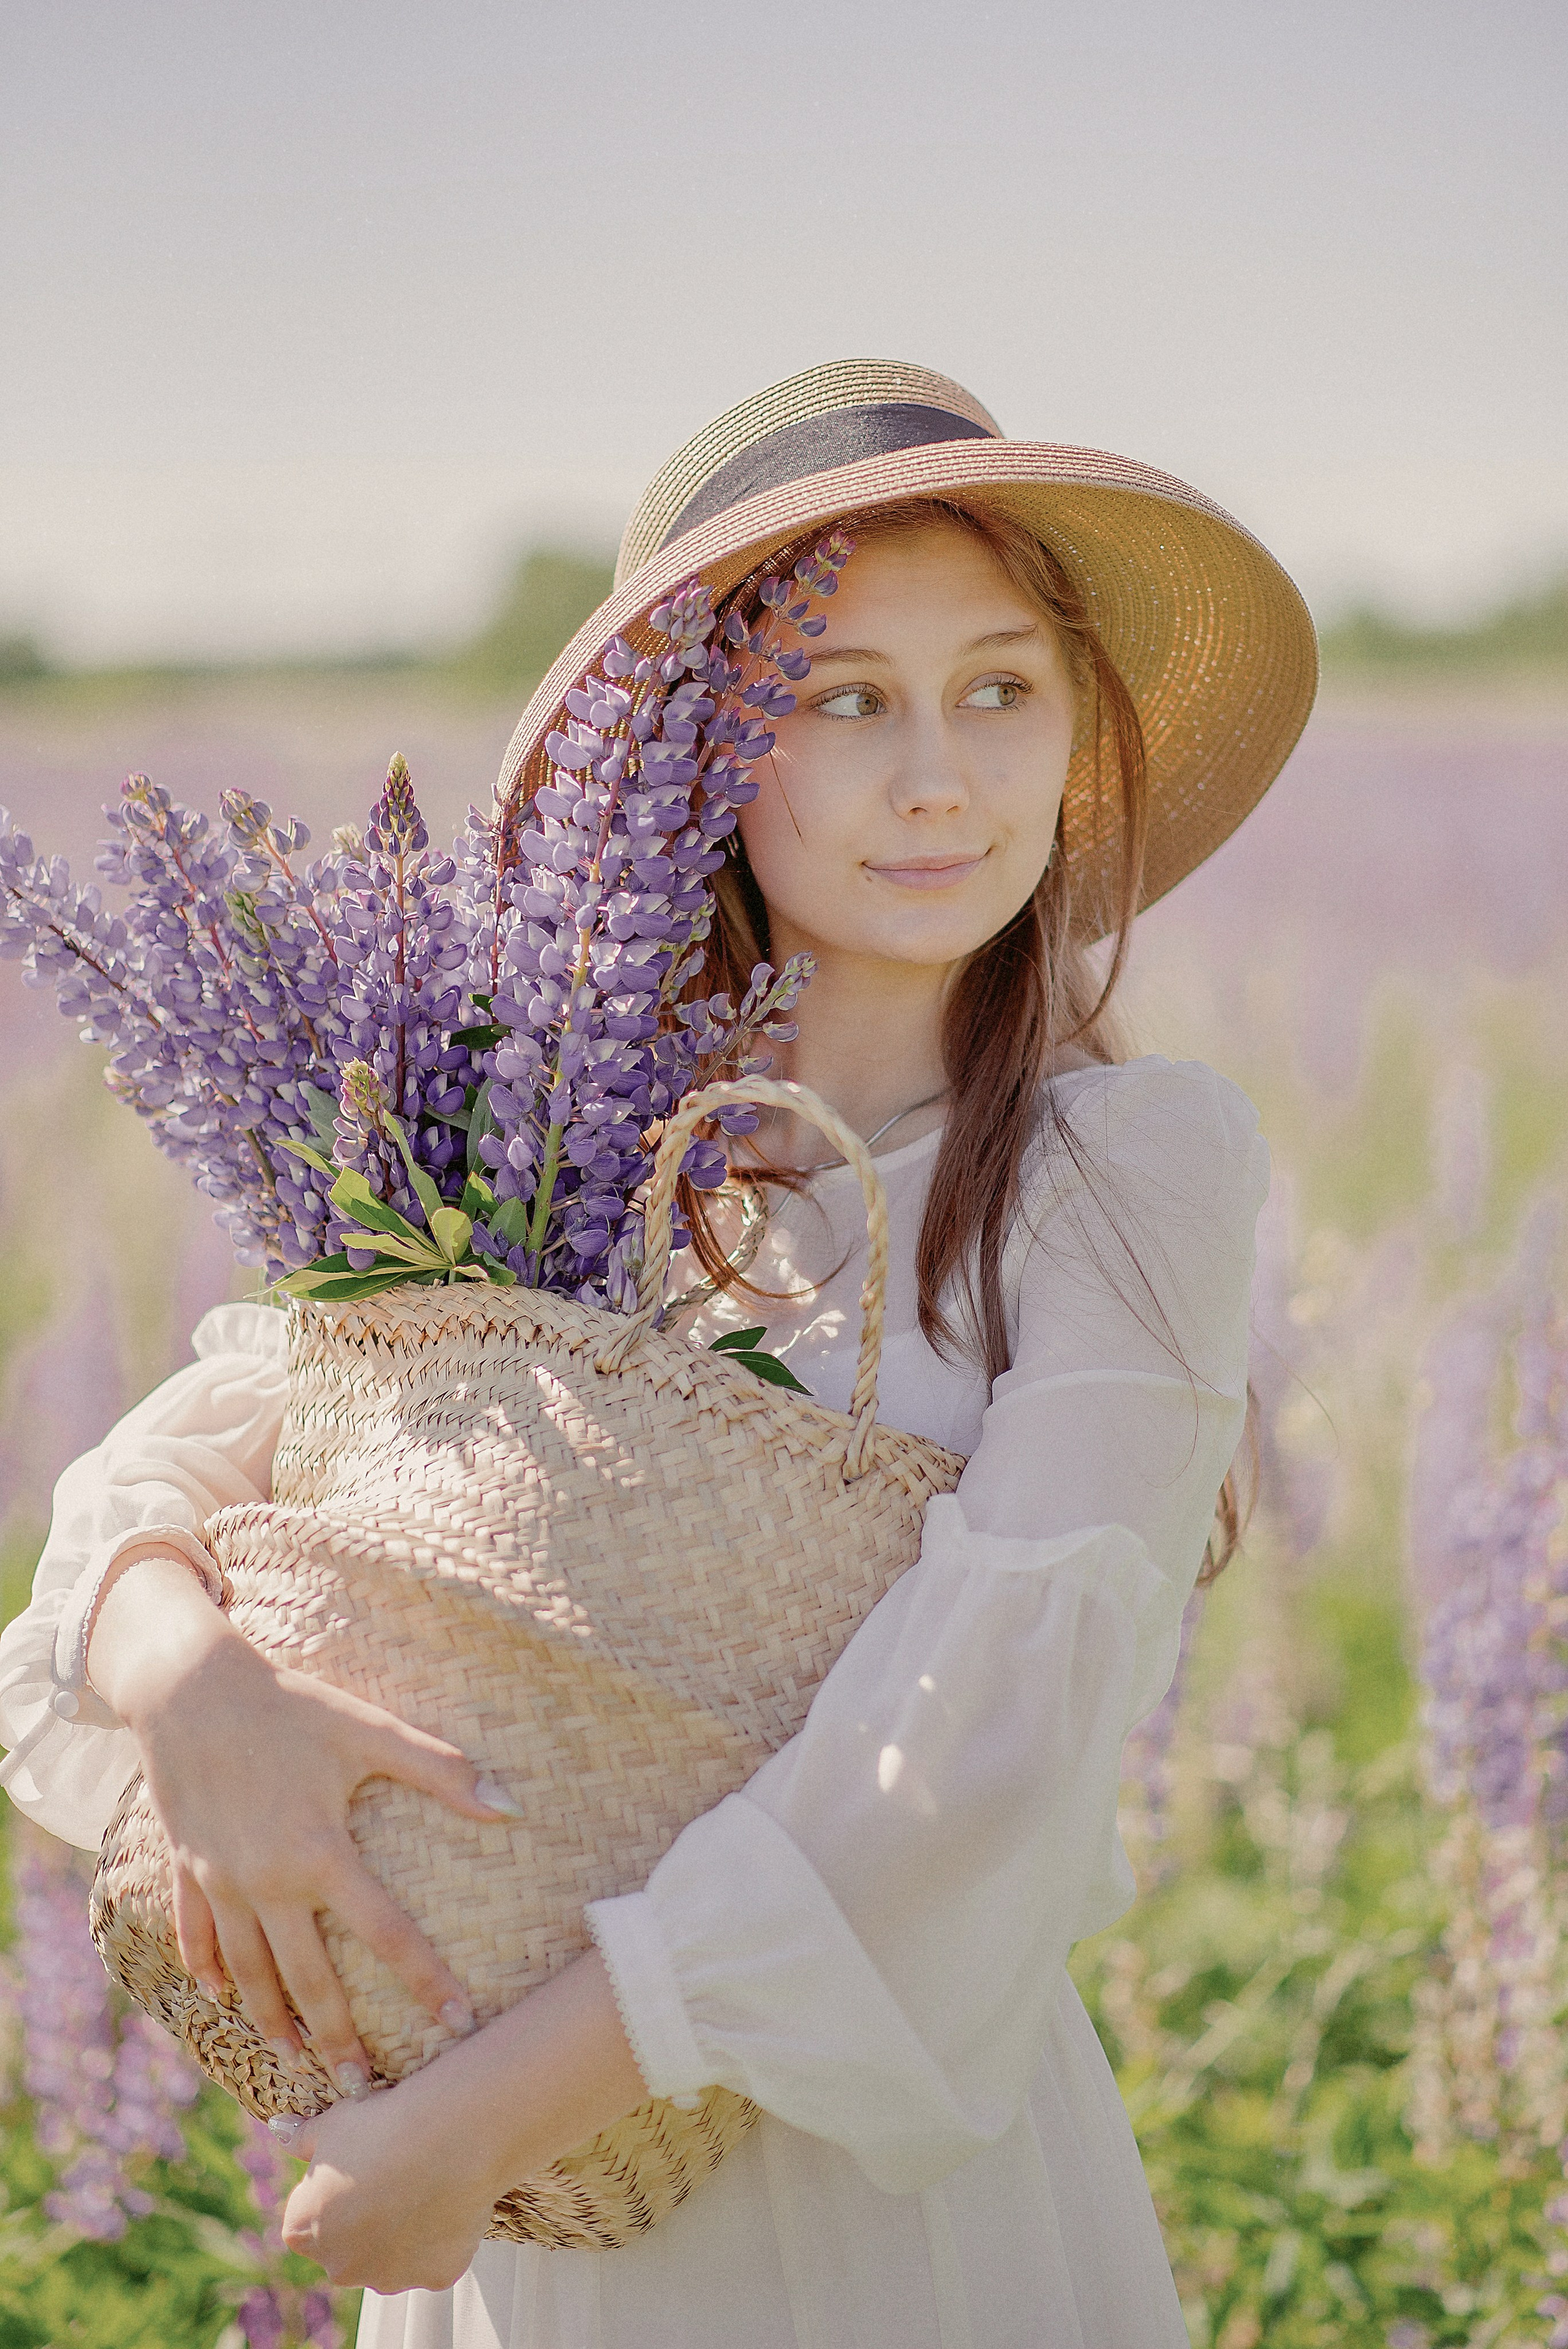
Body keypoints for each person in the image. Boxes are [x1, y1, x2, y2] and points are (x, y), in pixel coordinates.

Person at [0, 359, 1316, 2348]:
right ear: (700, 754)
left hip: (862, 2206)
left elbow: (972, 1756)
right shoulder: (550, 1146)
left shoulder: (1118, 1168)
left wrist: (468, 2124)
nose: (938, 776)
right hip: (524, 2226)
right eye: (843, 699)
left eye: (999, 689)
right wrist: (193, 1684)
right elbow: (157, 1479)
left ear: (1074, 733)